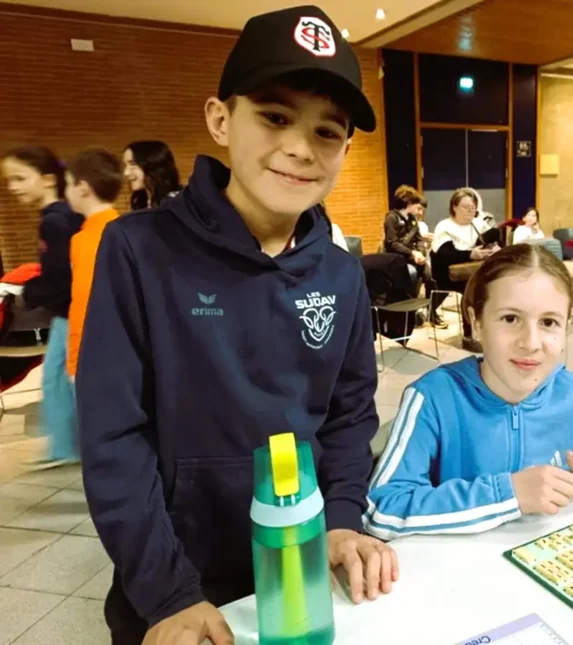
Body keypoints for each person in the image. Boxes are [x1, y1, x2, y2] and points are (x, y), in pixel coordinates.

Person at [76, 8, 397, 644]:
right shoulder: (139, 250)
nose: (300, 147)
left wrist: (341, 517)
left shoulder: (340, 272)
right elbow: (114, 437)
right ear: (220, 119)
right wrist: (167, 594)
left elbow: (350, 414)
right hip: (180, 583)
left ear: (344, 150)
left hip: (304, 567)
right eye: (275, 117)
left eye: (326, 131)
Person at [364, 244, 573, 539]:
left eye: (549, 322)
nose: (530, 343)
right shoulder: (435, 398)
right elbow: (383, 509)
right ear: (476, 322)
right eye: (510, 318)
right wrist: (509, 494)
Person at [1, 146, 83, 468]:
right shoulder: (61, 216)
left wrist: (29, 292)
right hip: (68, 311)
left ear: (48, 179)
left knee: (61, 378)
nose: (13, 187)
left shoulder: (56, 220)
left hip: (73, 311)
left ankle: (71, 447)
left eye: (20, 178)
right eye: (9, 180)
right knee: (57, 378)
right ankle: (66, 447)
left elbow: (61, 275)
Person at [64, 148, 123, 379]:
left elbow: (84, 304)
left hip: (98, 362)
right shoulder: (128, 229)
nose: (66, 192)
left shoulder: (87, 239)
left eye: (67, 184)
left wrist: (76, 362)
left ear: (82, 187)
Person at [431, 188, 500, 352]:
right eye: (466, 207)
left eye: (473, 207)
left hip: (474, 270)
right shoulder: (445, 226)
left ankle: (491, 329)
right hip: (448, 274)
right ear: (454, 207)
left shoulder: (477, 224)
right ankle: (469, 335)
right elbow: (445, 254)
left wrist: (494, 248)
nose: (470, 210)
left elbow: (493, 237)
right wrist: (470, 254)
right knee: (474, 288)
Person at [383, 185, 446, 328]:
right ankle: (408, 314)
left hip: (412, 257)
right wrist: (412, 253)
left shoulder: (411, 219)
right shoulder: (392, 218)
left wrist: (421, 253)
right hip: (397, 259)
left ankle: (432, 313)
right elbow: (392, 243)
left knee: (431, 278)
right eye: (416, 205)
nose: (419, 210)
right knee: (411, 274)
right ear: (408, 203)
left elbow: (418, 239)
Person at [123, 140, 183, 210]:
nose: (126, 173)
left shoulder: (180, 202)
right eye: (126, 165)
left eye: (133, 164)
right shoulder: (140, 203)